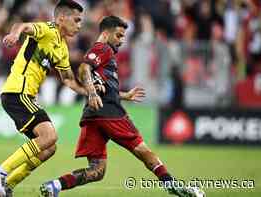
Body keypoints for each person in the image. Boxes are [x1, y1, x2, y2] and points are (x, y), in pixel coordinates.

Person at [40, 16, 205, 197]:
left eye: (123, 36)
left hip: (92, 115)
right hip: (109, 112)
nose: (122, 40)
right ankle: (172, 185)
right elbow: (83, 69)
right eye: (118, 35)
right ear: (105, 33)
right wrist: (93, 93)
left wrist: (123, 95)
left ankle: (54, 185)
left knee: (97, 170)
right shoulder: (102, 48)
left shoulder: (103, 54)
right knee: (143, 150)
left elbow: (97, 82)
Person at [0, 1, 97, 197]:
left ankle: (7, 185)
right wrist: (14, 34)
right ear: (62, 18)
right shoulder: (47, 29)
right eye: (76, 20)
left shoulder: (62, 48)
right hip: (17, 91)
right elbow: (22, 25)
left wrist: (91, 92)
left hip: (24, 96)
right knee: (49, 136)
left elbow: (69, 80)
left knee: (49, 148)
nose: (79, 25)